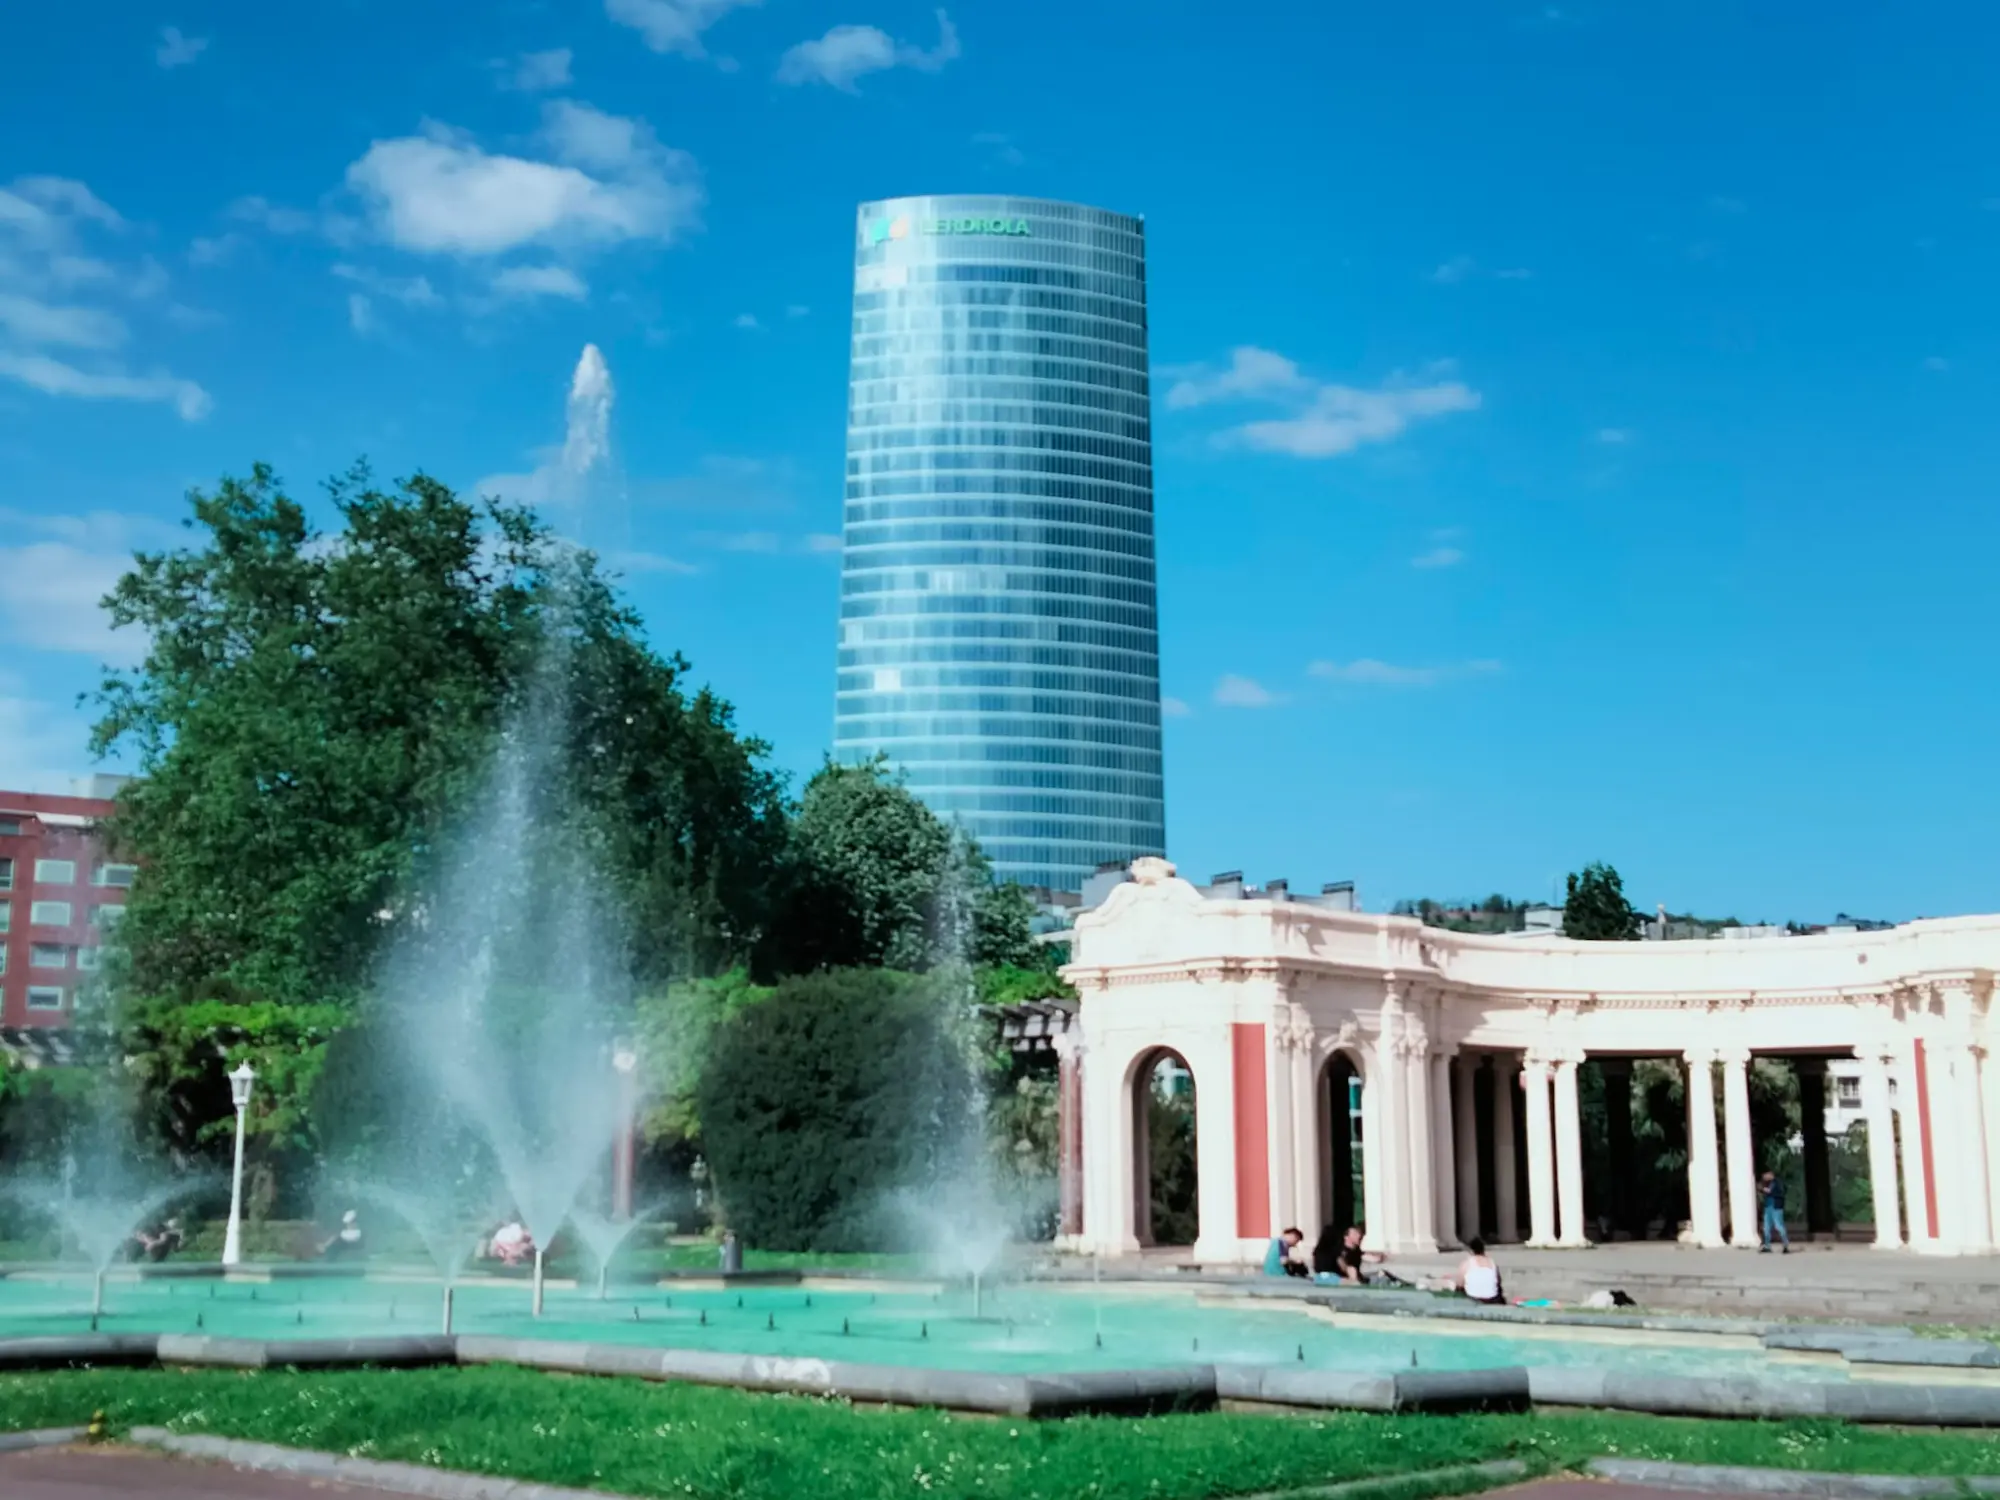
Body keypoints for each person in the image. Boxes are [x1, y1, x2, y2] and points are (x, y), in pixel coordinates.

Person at [1455, 1236, 1503, 1304]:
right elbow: (1498, 1281)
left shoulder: (1467, 1263)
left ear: (1471, 1250)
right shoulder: (1491, 1262)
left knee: (1459, 1290)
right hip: (1492, 1298)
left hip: (1473, 1298)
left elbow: (1459, 1284)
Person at [1758, 1171, 1790, 1254]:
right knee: (1766, 1227)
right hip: (1768, 1206)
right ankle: (1767, 1246)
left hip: (1775, 1207)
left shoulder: (1776, 1182)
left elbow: (1769, 1191)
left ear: (1770, 1175)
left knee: (1778, 1225)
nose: (1764, 1177)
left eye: (1765, 1175)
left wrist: (1761, 1188)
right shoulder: (1769, 1183)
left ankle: (1785, 1244)